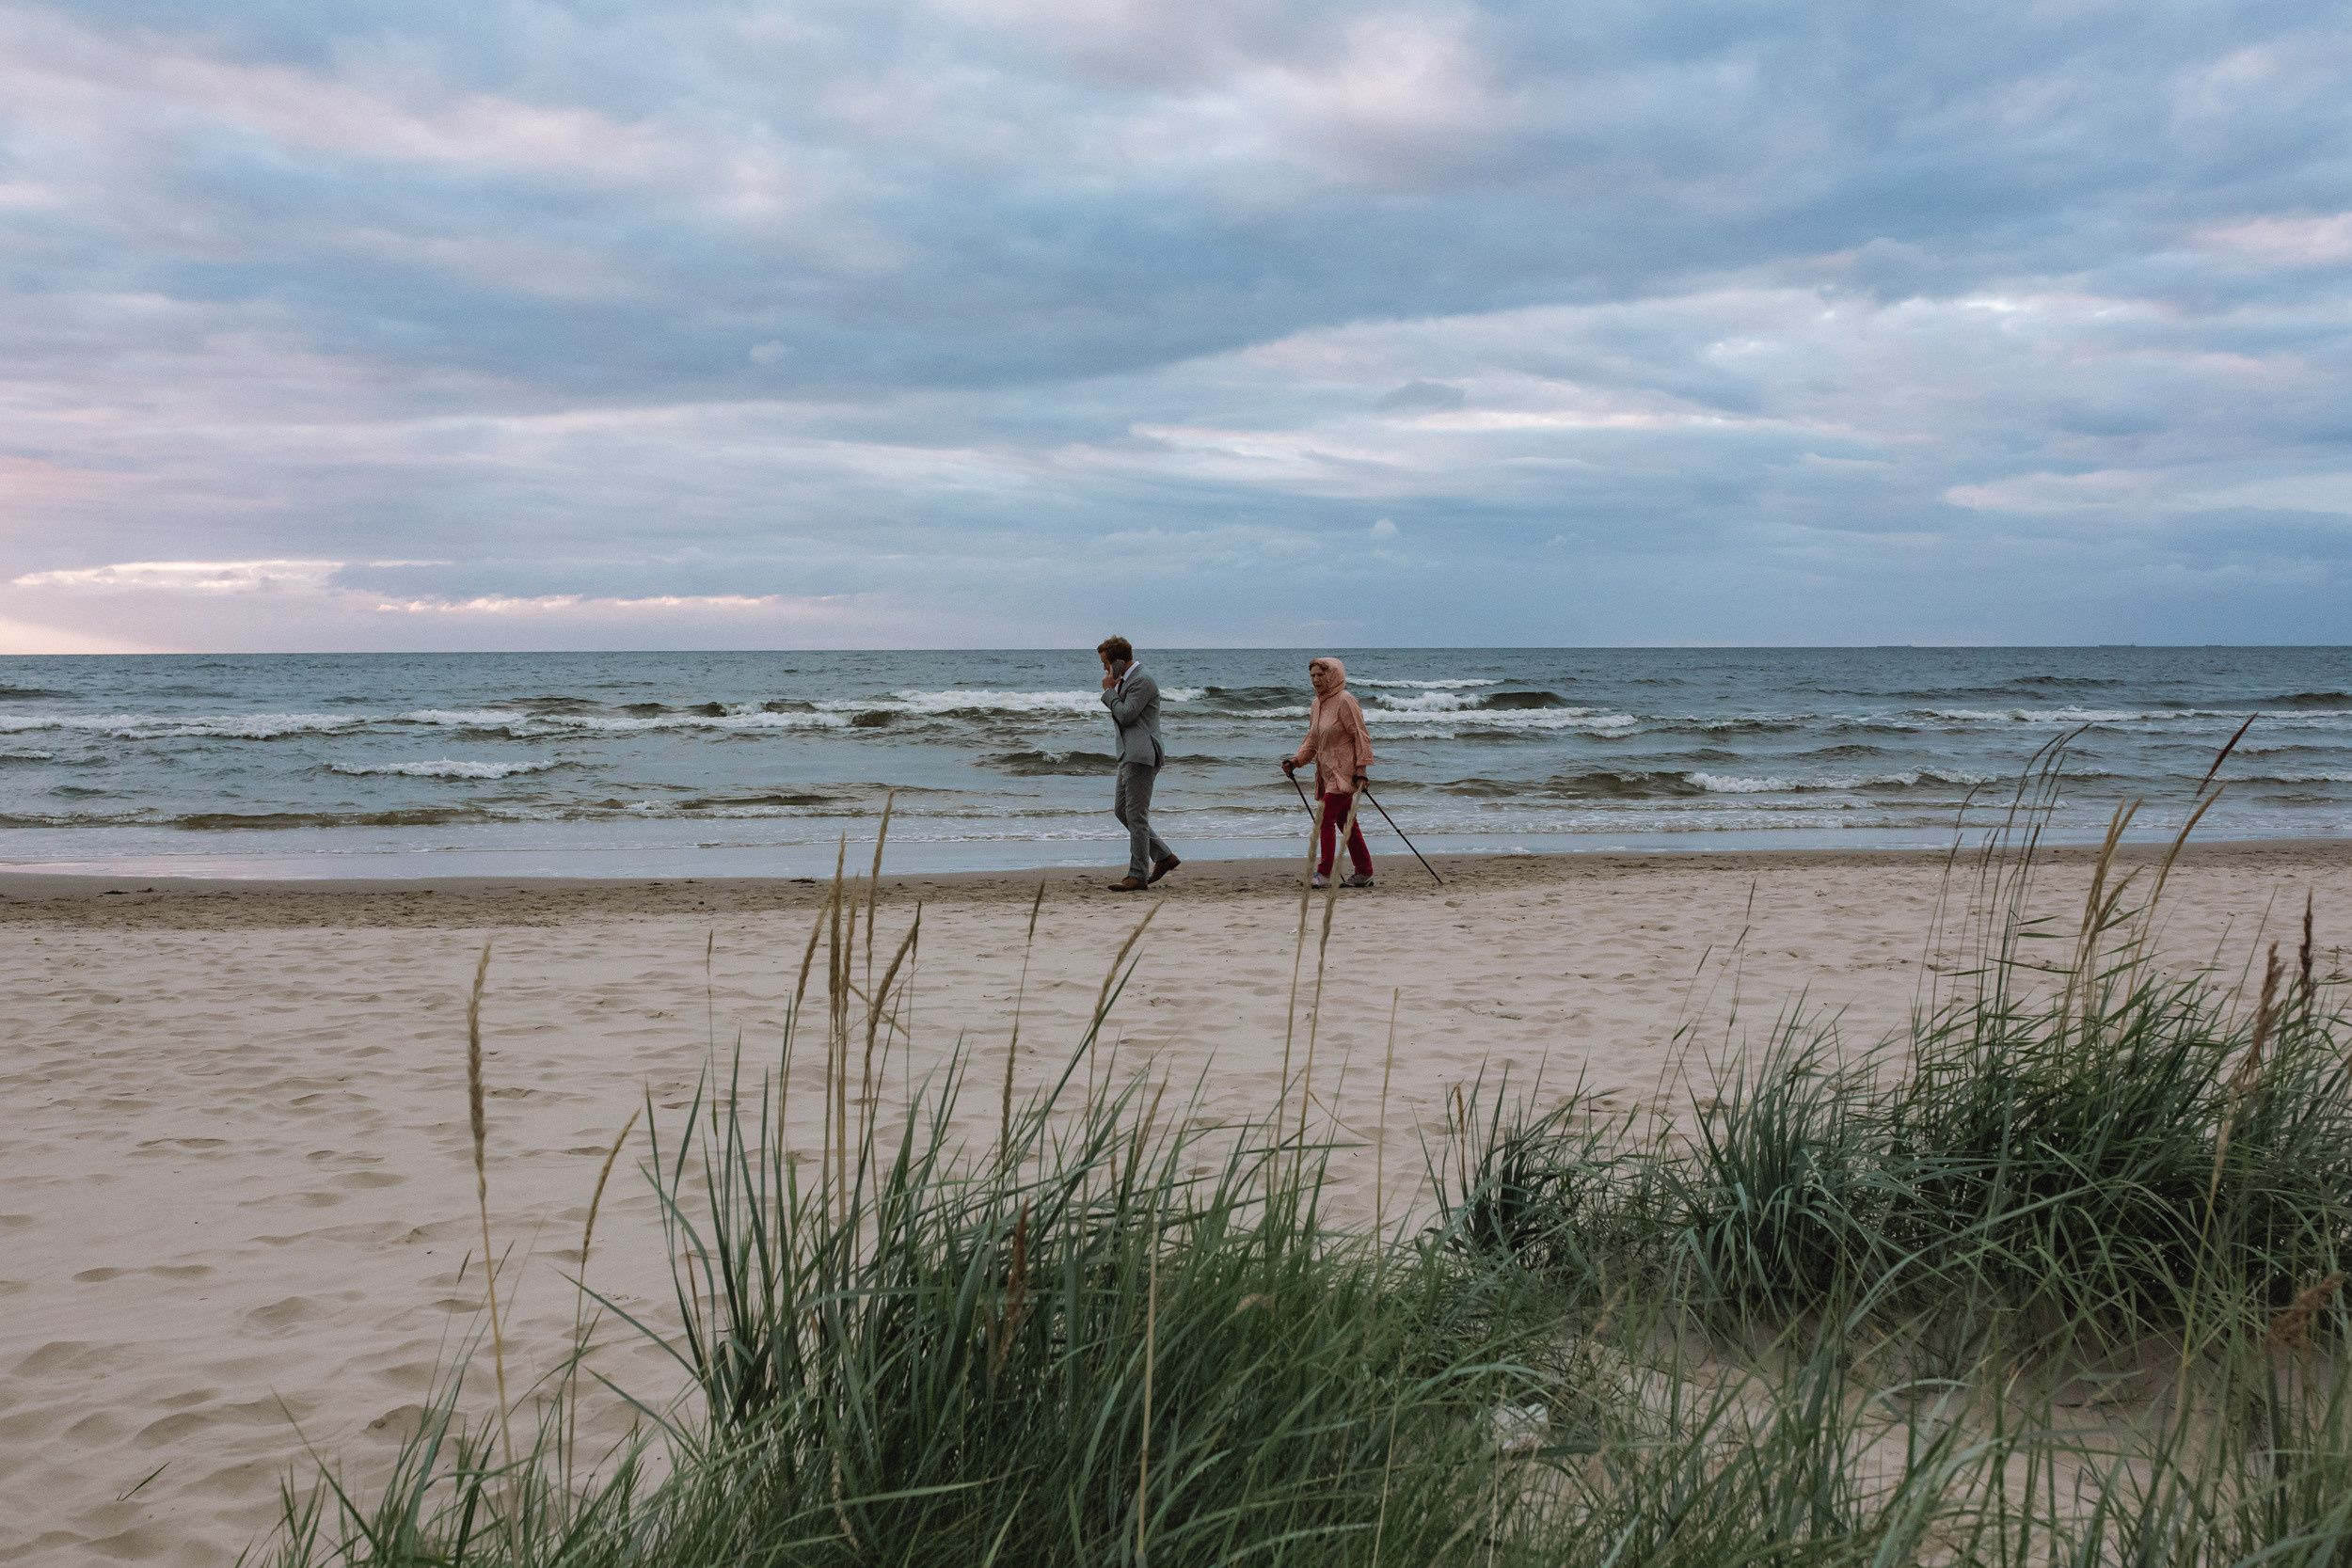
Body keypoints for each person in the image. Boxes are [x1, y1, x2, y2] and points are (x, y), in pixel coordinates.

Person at [1283, 657, 1375, 889]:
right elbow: (1313, 740)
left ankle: (1324, 873)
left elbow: (1360, 735)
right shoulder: (1317, 704)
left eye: (1320, 675)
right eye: (1312, 675)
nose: (1315, 680)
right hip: (1326, 773)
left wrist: (1362, 771)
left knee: (1324, 818)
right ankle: (1364, 872)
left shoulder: (1345, 700)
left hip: (1345, 773)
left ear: (1332, 675)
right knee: (1347, 824)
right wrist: (1296, 761)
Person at [1098, 636, 1179, 891]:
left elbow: (1126, 714)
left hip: (1142, 754)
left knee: (1136, 815)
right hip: (1129, 754)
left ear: (1118, 662)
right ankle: (1164, 856)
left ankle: (1138, 875)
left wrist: (1109, 691)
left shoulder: (1142, 679)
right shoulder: (1128, 678)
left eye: (1106, 663)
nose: (1104, 669)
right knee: (1123, 811)